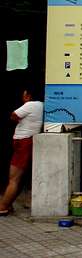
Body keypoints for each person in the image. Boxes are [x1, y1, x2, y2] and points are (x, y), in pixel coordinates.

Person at [0, 88, 44, 216]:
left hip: (23, 142)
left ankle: (3, 207)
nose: (22, 97)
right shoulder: (42, 105)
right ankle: (8, 205)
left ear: (29, 95)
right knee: (20, 178)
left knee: (14, 178)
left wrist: (24, 106)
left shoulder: (30, 105)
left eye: (24, 95)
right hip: (28, 142)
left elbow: (14, 115)